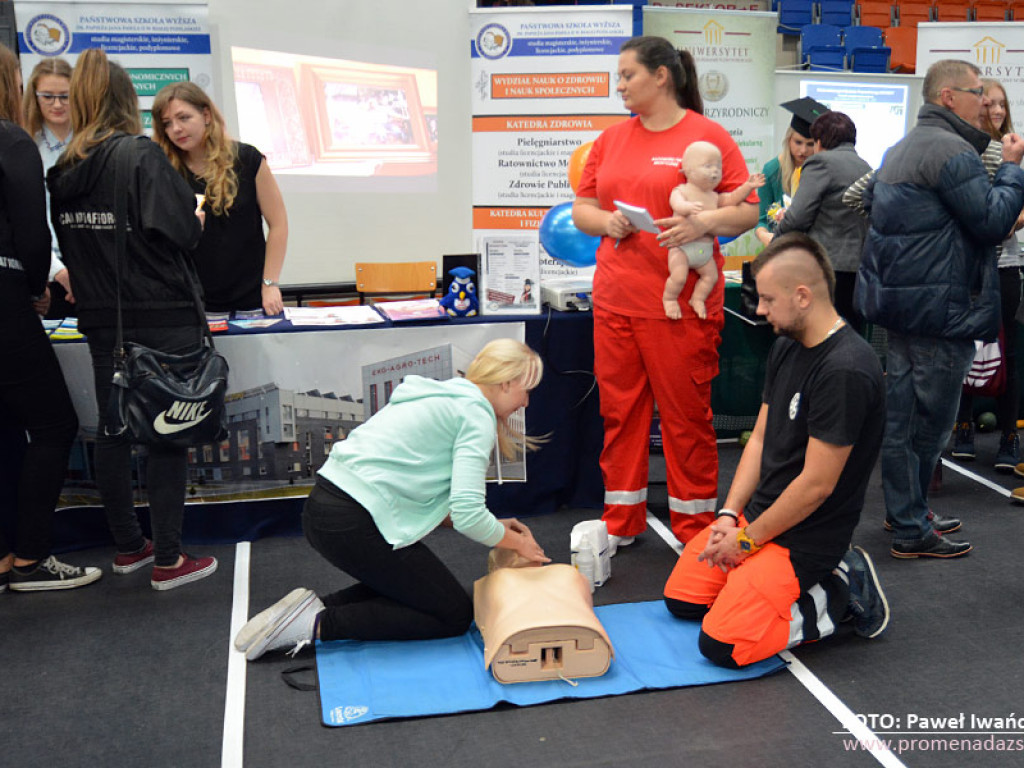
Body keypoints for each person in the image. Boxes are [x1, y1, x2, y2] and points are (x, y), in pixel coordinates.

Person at [234, 339, 550, 660]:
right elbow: (468, 516)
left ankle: (311, 608)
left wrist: (497, 528)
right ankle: (316, 624)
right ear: (507, 382)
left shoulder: (444, 396)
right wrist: (516, 543)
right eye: (527, 390)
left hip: (326, 511)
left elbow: (429, 496)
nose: (526, 402)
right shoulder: (475, 415)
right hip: (351, 524)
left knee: (418, 587)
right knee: (452, 614)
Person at [663, 232, 888, 668]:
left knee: (722, 646)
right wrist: (730, 516)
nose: (760, 310)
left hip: (808, 537)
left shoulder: (846, 370)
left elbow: (816, 486)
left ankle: (842, 588)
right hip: (761, 520)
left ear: (802, 296)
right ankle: (756, 588)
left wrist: (746, 543)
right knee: (683, 601)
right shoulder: (786, 346)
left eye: (767, 299)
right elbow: (761, 439)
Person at [571, 36, 758, 547]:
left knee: (685, 419)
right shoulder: (611, 139)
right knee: (620, 415)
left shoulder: (707, 135)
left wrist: (705, 225)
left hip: (678, 311)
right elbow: (581, 209)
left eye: (628, 75)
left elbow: (748, 210)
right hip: (615, 302)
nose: (620, 85)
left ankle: (695, 528)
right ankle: (621, 523)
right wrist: (607, 221)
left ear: (661, 76)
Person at [47, 48, 218, 590]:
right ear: (126, 104)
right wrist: (192, 214)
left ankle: (129, 547)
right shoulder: (140, 158)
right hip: (161, 316)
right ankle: (169, 559)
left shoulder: (63, 171)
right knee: (167, 433)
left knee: (114, 431)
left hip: (101, 320)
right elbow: (183, 235)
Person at [855, 59, 1024, 559]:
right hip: (941, 306)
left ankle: (906, 512)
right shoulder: (952, 152)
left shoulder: (900, 148)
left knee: (905, 417)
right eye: (978, 94)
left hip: (906, 304)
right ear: (949, 97)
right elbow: (993, 222)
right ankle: (910, 525)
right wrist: (1013, 169)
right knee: (928, 422)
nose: (986, 104)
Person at [0, 43, 100, 592]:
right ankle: (33, 559)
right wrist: (38, 282)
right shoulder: (13, 139)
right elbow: (32, 230)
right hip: (9, 298)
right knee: (55, 424)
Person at [151, 82, 288, 315]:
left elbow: (278, 225)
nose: (176, 129)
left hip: (250, 298)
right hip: (190, 301)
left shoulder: (247, 159)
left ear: (206, 115)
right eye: (167, 124)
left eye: (184, 118)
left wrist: (270, 284)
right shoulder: (163, 169)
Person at [951, 78, 1024, 471]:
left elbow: (1013, 209)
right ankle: (962, 425)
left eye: (1001, 105)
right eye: (988, 104)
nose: (996, 111)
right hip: (965, 268)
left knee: (1008, 352)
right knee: (963, 348)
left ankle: (1010, 436)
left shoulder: (1013, 149)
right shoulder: (961, 153)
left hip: (1005, 266)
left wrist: (1010, 219)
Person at [775, 111, 872, 333]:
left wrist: (776, 243)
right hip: (857, 269)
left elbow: (798, 216)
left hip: (825, 268)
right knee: (848, 333)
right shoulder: (864, 166)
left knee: (820, 334)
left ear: (819, 141)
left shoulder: (821, 162)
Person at [664, 140, 764, 320]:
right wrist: (685, 207)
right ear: (687, 169)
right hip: (682, 249)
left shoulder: (714, 197)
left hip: (704, 252)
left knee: (710, 277)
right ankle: (670, 299)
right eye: (708, 166)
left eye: (718, 167)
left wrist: (747, 187)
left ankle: (698, 298)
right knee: (678, 277)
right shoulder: (682, 190)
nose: (715, 171)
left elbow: (733, 199)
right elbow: (675, 202)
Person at [21, 57, 74, 315]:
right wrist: (56, 270)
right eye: (48, 96)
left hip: (92, 268)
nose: (57, 104)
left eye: (65, 96)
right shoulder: (24, 144)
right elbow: (24, 219)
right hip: (44, 272)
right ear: (35, 97)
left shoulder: (92, 141)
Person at [753, 98, 825, 247]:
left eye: (810, 144)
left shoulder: (823, 172)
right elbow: (762, 219)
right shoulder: (772, 170)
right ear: (788, 140)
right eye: (798, 142)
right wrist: (763, 235)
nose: (803, 150)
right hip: (781, 246)